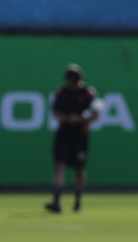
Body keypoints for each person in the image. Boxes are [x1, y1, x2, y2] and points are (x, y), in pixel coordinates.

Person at [45, 64, 101, 213]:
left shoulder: (89, 93)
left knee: (79, 170)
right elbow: (55, 112)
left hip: (80, 136)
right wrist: (66, 118)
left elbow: (96, 114)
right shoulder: (62, 93)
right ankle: (56, 201)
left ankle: (77, 202)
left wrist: (79, 119)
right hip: (64, 135)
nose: (72, 83)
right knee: (60, 166)